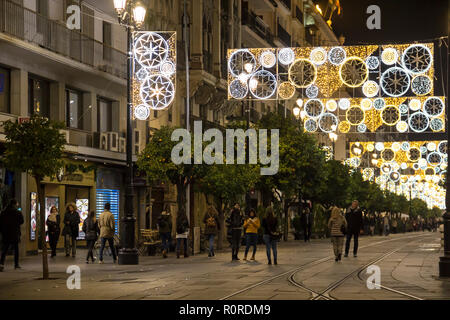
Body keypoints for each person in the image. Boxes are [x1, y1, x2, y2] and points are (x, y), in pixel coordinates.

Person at [0, 199, 24, 271]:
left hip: (6, 233)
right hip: (15, 232)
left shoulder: (3, 212)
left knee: (5, 249)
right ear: (15, 204)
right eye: (17, 203)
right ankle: (16, 264)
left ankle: (1, 263)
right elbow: (21, 221)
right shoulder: (18, 212)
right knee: (16, 249)